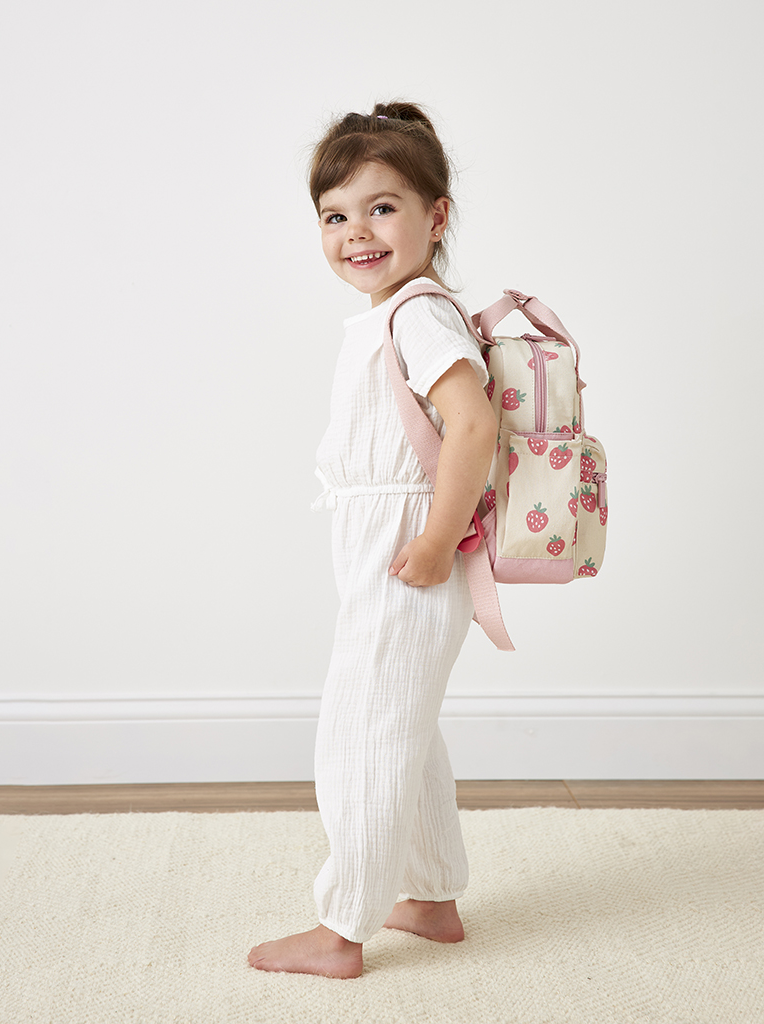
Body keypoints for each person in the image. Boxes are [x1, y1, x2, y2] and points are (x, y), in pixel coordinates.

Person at [248, 102, 498, 979]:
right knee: (405, 730)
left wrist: (433, 543)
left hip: (408, 556)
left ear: (437, 214)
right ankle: (428, 897)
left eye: (381, 207)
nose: (356, 232)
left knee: (360, 734)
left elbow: (473, 427)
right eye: (334, 215)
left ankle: (342, 926)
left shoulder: (420, 315)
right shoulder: (393, 311)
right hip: (387, 552)